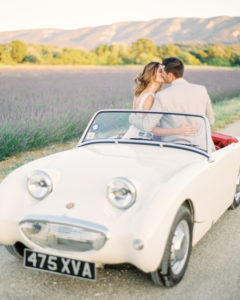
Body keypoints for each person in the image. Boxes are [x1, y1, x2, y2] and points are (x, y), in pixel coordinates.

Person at [129, 57, 215, 150]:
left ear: (170, 75)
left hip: (175, 149)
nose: (162, 75)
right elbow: (210, 120)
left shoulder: (162, 96)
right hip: (204, 148)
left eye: (163, 72)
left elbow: (147, 126)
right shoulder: (201, 89)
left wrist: (132, 117)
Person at [123, 61, 196, 139]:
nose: (164, 74)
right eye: (160, 71)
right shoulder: (149, 97)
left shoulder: (140, 93)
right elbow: (150, 128)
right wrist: (178, 130)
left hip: (133, 136)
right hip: (141, 139)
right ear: (151, 74)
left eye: (164, 71)